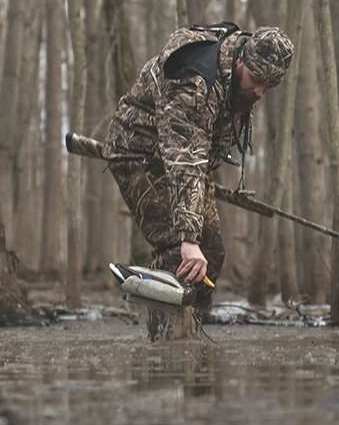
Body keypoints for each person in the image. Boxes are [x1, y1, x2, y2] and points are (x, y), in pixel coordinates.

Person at [106, 22, 294, 339]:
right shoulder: (193, 82)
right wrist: (187, 238)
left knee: (212, 252)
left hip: (190, 162)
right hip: (139, 154)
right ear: (240, 62)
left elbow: (201, 152)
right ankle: (169, 348)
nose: (260, 91)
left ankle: (192, 330)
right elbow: (183, 159)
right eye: (257, 80)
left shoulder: (239, 81)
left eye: (269, 85)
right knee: (176, 249)